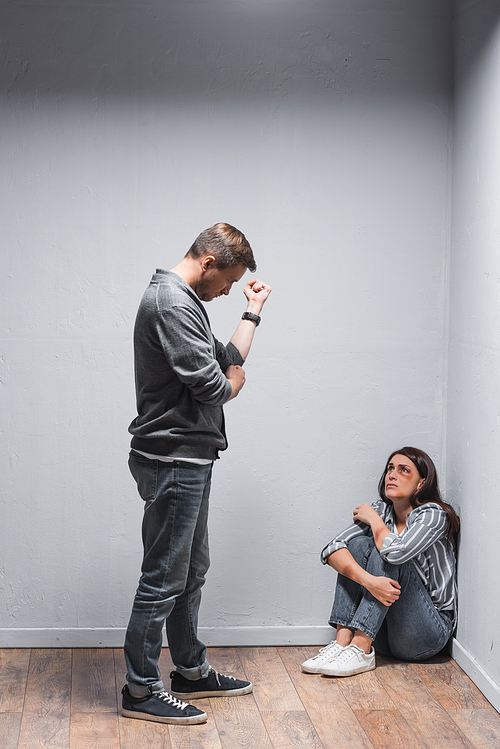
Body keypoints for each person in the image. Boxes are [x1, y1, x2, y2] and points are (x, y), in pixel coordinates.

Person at [121, 223, 272, 725]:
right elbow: (215, 385)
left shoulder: (187, 303)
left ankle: (189, 670)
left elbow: (225, 360)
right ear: (208, 262)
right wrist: (234, 384)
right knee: (164, 576)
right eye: (228, 281)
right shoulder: (171, 303)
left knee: (190, 572)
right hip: (173, 460)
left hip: (191, 458)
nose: (228, 290)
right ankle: (141, 690)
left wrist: (253, 312)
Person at [301, 447, 460, 678]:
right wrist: (370, 582)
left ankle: (361, 647)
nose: (392, 475)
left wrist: (374, 520)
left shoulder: (433, 515)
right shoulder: (381, 511)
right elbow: (332, 549)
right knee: (356, 546)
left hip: (427, 634)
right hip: (386, 633)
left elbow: (396, 553)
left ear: (421, 483)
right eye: (390, 469)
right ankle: (343, 643)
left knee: (387, 549)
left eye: (404, 470)